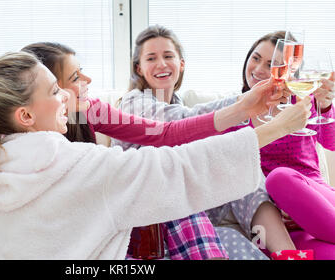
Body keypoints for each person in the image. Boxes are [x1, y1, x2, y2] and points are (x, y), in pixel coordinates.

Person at [0, 51, 310, 259]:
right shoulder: (73, 163)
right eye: (60, 87)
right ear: (26, 115)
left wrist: (243, 108)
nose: (76, 90)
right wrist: (274, 128)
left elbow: (166, 135)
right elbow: (170, 166)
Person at [21, 42, 268, 260]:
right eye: (75, 77)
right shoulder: (26, 146)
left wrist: (243, 108)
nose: (88, 81)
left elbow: (164, 133)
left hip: (126, 213)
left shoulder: (91, 109)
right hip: (91, 223)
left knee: (173, 190)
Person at [111, 25, 315, 260]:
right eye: (151, 58)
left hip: (194, 208)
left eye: (168, 56)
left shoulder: (178, 103)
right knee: (191, 160)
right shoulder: (133, 102)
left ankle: (290, 255)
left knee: (238, 158)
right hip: (147, 213)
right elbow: (179, 126)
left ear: (181, 64)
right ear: (139, 68)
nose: (161, 64)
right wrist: (244, 103)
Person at [238, 30, 335, 260]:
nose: (259, 69)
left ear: (290, 71)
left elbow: (331, 142)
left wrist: (325, 107)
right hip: (279, 223)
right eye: (256, 58)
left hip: (318, 197)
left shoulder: (304, 102)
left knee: (280, 177)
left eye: (272, 64)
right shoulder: (232, 112)